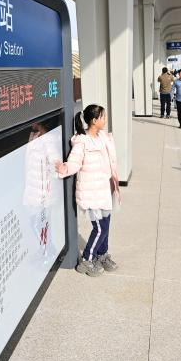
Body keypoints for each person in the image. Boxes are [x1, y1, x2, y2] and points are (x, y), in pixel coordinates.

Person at [56, 105, 120, 276]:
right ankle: (86, 260)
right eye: (103, 117)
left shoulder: (103, 137)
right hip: (90, 193)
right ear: (94, 120)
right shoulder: (82, 141)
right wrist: (63, 168)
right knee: (100, 228)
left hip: (103, 191)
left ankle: (101, 254)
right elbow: (74, 162)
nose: (105, 119)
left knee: (106, 226)